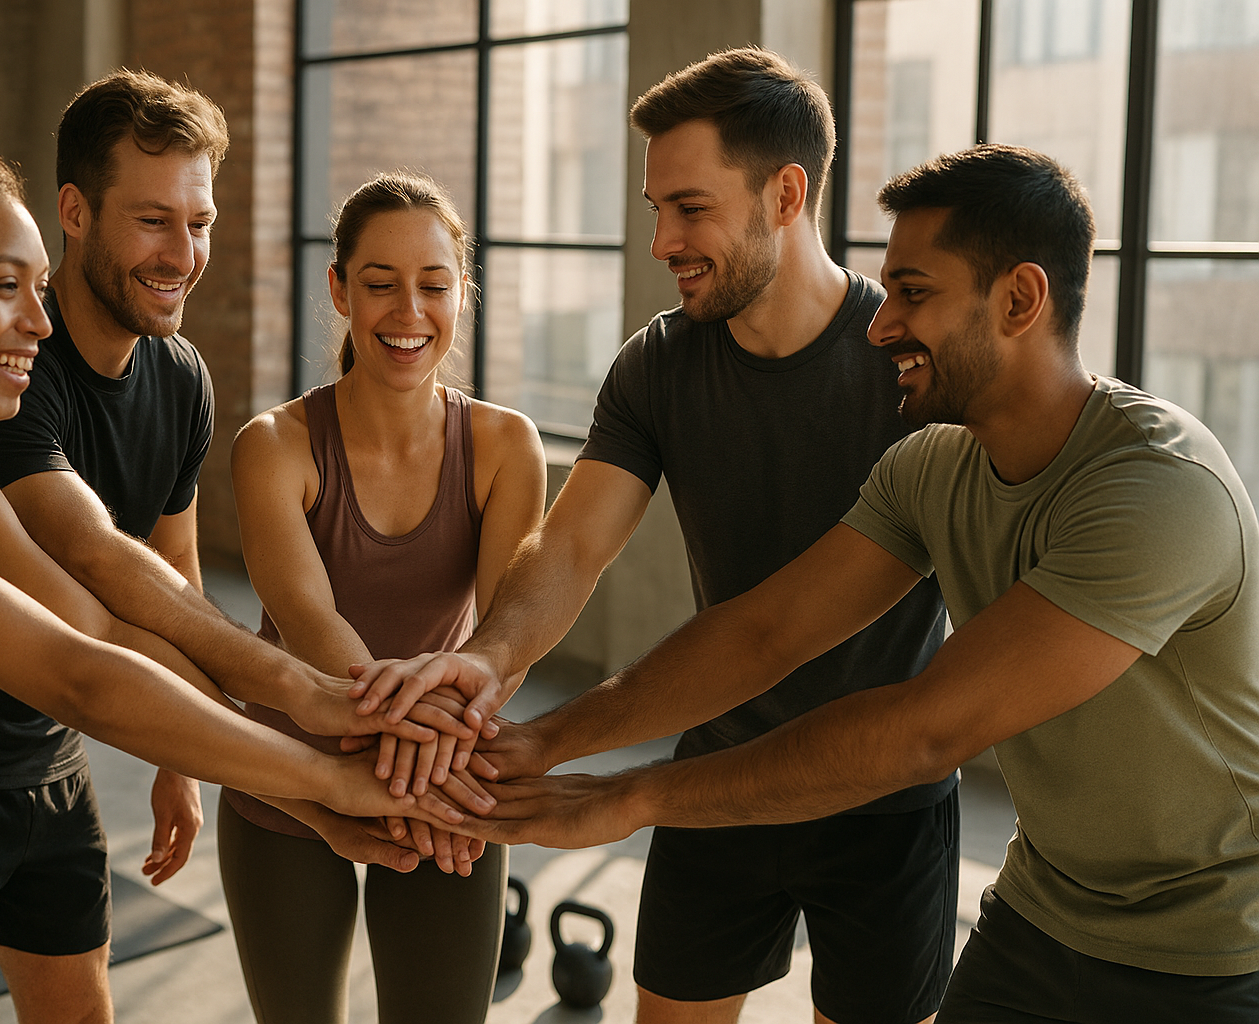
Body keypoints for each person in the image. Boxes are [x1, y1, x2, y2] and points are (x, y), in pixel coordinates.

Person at [437, 144, 1259, 1022]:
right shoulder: (931, 467)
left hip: (1214, 951)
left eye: (915, 293)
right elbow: (763, 634)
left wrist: (630, 797)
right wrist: (544, 742)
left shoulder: (1157, 491)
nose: (880, 326)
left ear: (1020, 300)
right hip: (1043, 917)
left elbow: (920, 731)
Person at [0, 76, 468, 1024]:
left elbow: (105, 630)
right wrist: (326, 754)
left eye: (37, 290)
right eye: (7, 288)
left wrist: (306, 776)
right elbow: (78, 670)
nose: (40, 321)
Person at [354, 48, 953, 1024]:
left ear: (787, 193)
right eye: (654, 209)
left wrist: (555, 743)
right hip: (711, 776)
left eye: (690, 208)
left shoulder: (910, 367)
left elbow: (775, 634)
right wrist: (490, 658)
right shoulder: (658, 364)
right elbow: (573, 545)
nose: (661, 239)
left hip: (880, 795)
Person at [221, 171, 545, 1024]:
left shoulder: (508, 445)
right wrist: (418, 738)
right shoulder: (275, 446)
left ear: (461, 294)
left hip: (438, 777)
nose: (410, 312)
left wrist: (421, 764)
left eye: (434, 286)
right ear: (339, 290)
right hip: (288, 776)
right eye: (379, 285)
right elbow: (308, 621)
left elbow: (506, 635)